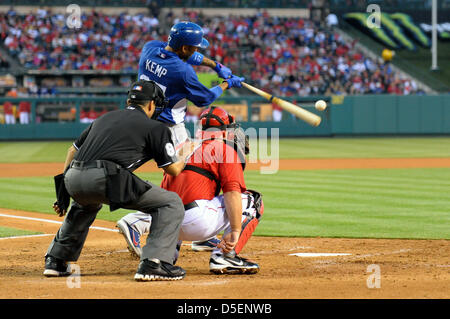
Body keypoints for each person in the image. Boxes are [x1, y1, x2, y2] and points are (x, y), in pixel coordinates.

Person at [44, 80, 194, 282]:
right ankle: (155, 263)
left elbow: (72, 150)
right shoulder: (156, 128)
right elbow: (173, 169)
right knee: (170, 202)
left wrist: (62, 190)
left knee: (85, 203)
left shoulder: (104, 118)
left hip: (72, 177)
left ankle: (56, 260)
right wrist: (185, 152)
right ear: (151, 104)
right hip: (106, 177)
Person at [117, 106, 264, 274]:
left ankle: (165, 256)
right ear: (224, 132)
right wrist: (236, 230)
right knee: (254, 200)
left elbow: (165, 191)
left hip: (167, 222)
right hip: (197, 222)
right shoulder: (225, 149)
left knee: (177, 199)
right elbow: (232, 193)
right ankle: (224, 256)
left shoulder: (185, 148)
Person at [138, 21, 245, 250]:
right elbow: (205, 99)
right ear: (185, 48)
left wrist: (215, 64)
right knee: (187, 168)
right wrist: (225, 83)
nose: (198, 51)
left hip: (141, 119)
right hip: (167, 127)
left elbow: (191, 57)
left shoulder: (150, 48)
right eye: (195, 47)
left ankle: (199, 232)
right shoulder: (182, 71)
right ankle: (139, 222)